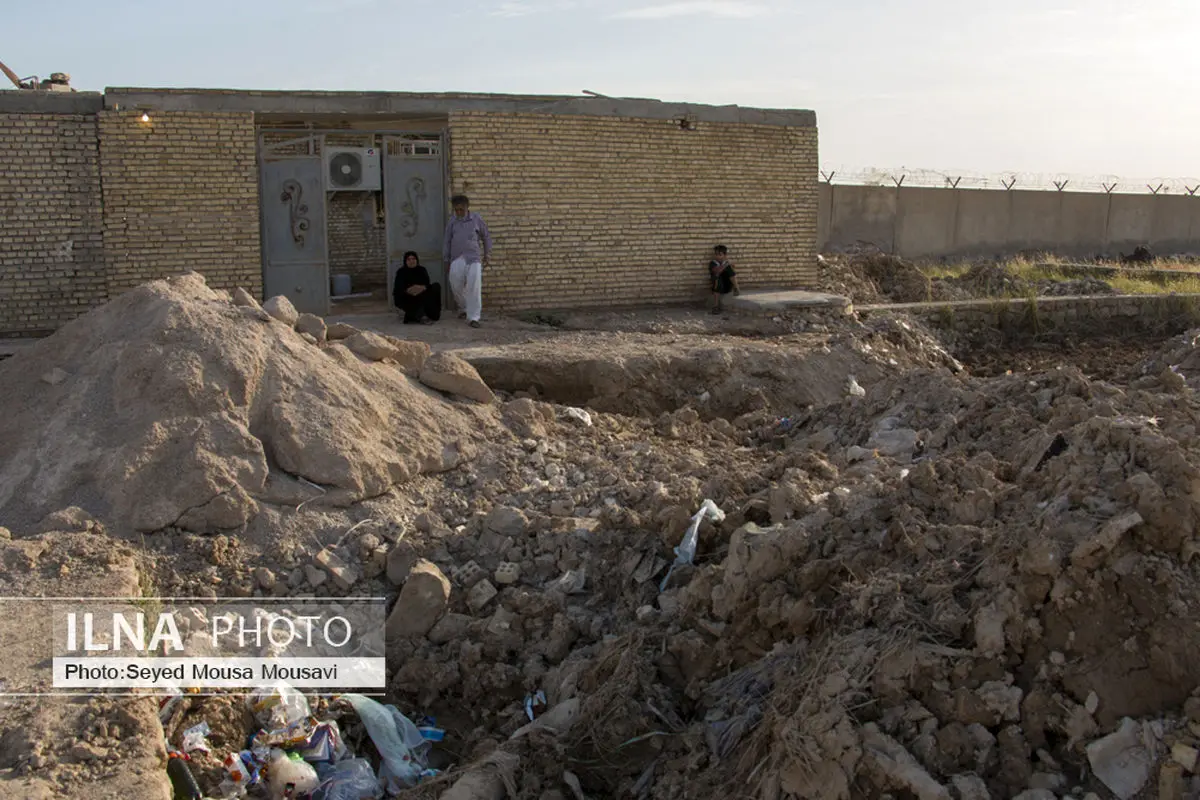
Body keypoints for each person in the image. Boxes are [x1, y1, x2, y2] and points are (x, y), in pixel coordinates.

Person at [442, 194, 492, 328]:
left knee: (474, 287)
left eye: (461, 210)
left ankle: (473, 317)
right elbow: (447, 242)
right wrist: (446, 260)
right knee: (455, 284)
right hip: (457, 257)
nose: (459, 212)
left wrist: (487, 254)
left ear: (467, 208)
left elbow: (486, 236)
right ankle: (463, 307)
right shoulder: (452, 221)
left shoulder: (476, 219)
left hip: (473, 258)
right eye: (456, 210)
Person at [393, 250, 442, 325]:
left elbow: (427, 284)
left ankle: (425, 313)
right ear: (405, 261)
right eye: (409, 259)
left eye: (413, 259)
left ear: (417, 260)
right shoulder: (401, 272)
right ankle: (420, 316)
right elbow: (398, 288)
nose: (411, 261)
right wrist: (409, 290)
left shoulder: (422, 270)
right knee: (408, 296)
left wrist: (422, 287)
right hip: (407, 297)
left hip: (422, 294)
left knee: (436, 286)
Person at [709, 244, 740, 314]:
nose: (717, 256)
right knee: (717, 278)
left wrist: (730, 264)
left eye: (720, 254)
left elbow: (733, 270)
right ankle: (715, 306)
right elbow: (717, 271)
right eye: (716, 254)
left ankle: (736, 288)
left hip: (727, 285)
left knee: (729, 269)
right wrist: (726, 264)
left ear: (724, 255)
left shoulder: (726, 262)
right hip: (717, 286)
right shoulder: (713, 263)